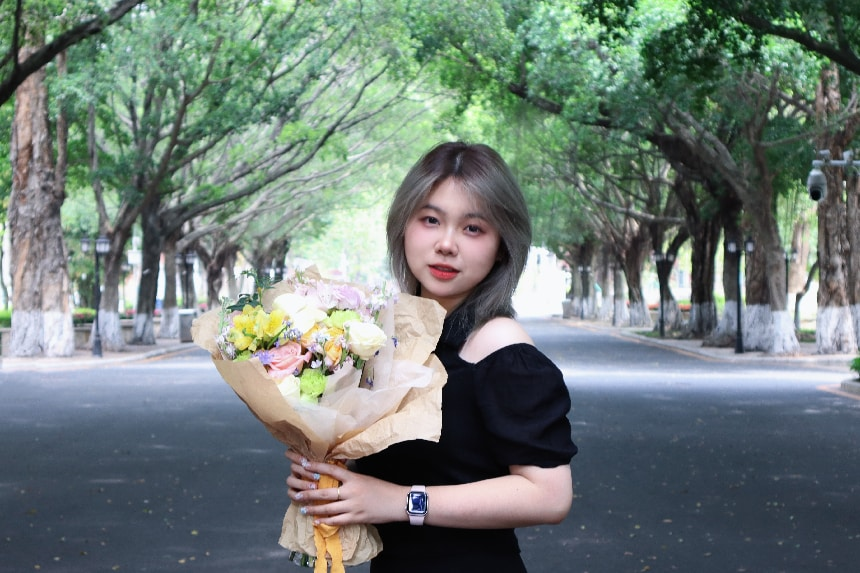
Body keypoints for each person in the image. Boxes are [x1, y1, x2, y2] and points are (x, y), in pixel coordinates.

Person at [286, 141, 578, 572]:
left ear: (502, 245)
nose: (446, 244)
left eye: (473, 228)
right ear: (403, 226)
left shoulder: (500, 347)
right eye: (430, 220)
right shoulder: (384, 339)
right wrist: (332, 478)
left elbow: (549, 496)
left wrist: (400, 501)